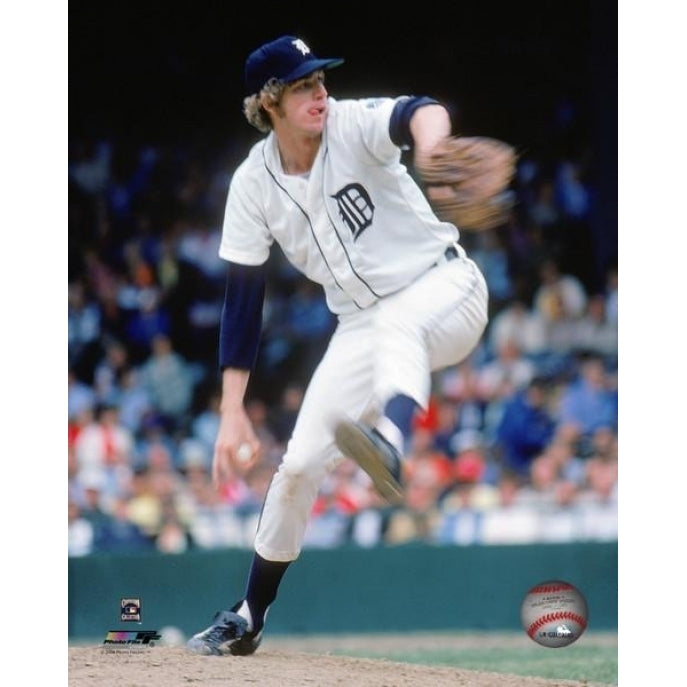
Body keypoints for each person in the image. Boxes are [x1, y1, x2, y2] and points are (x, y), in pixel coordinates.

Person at [186, 35, 489, 657]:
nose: (320, 93)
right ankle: (249, 614)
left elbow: (418, 110)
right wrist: (232, 409)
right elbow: (243, 300)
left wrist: (433, 146)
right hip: (362, 327)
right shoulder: (252, 184)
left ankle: (391, 443)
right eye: (303, 86)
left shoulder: (351, 125)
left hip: (447, 287)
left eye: (320, 81)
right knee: (297, 466)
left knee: (399, 323)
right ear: (269, 101)